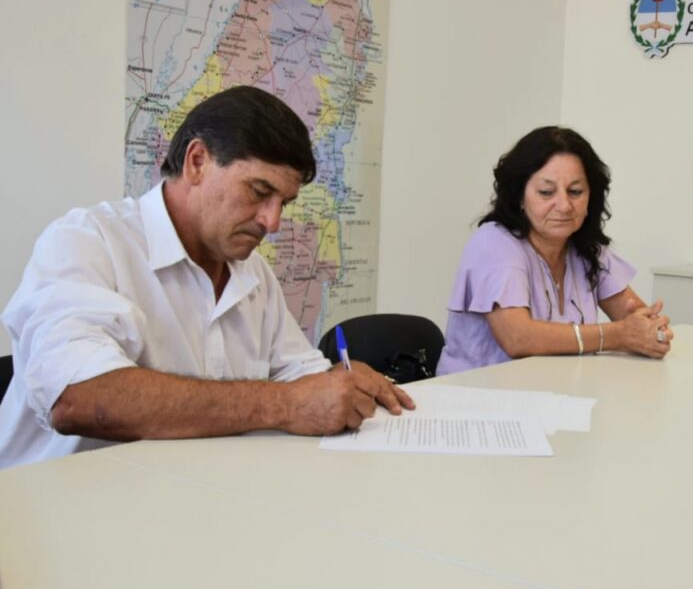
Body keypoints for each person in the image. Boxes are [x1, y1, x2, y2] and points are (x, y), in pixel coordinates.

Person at [0, 86, 412, 468]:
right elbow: (78, 397)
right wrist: (282, 404)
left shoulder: (253, 273)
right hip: (57, 505)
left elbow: (297, 376)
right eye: (258, 192)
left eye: (283, 203)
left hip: (192, 494)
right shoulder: (87, 242)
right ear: (197, 161)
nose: (272, 222)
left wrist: (340, 382)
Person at [437, 126, 672, 375]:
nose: (564, 205)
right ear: (519, 196)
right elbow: (518, 338)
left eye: (575, 192)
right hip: (478, 393)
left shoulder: (586, 246)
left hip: (558, 389)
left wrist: (650, 332)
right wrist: (616, 336)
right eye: (546, 192)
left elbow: (639, 321)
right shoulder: (494, 242)